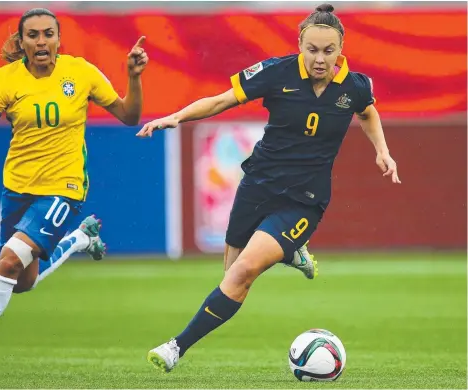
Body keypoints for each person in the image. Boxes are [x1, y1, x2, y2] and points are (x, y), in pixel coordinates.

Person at [138, 3, 400, 372]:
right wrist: (176, 117)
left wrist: (383, 151)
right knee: (230, 276)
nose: (320, 58)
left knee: (244, 271)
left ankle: (175, 347)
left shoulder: (354, 87)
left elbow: (367, 111)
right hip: (258, 186)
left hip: (304, 200)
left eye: (328, 50)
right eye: (312, 50)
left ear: (341, 49)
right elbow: (221, 100)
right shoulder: (276, 73)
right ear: (299, 45)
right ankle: (291, 253)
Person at [0, 8, 149, 378]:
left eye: (49, 34)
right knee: (20, 282)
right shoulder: (6, 80)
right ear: (23, 42)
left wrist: (133, 78)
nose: (42, 41)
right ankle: (78, 241)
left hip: (64, 188)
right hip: (18, 189)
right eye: (33, 35)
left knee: (7, 261)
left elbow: (129, 116)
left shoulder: (81, 72)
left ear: (59, 39)